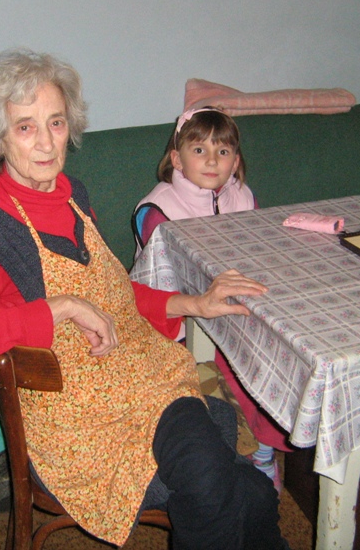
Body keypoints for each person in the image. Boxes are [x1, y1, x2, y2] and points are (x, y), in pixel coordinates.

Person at [0, 48, 288, 550]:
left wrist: (194, 303)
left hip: (142, 378)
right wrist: (63, 306)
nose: (46, 142)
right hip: (80, 418)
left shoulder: (73, 195)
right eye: (25, 127)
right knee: (231, 487)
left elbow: (115, 295)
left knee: (245, 490)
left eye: (56, 122)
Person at [132, 107, 293, 492]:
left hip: (235, 307)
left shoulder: (242, 196)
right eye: (199, 150)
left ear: (235, 162)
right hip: (178, 320)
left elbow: (260, 250)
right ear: (177, 159)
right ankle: (238, 450)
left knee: (277, 351)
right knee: (233, 368)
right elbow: (165, 279)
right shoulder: (157, 209)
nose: (211, 160)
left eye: (222, 152)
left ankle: (265, 450)